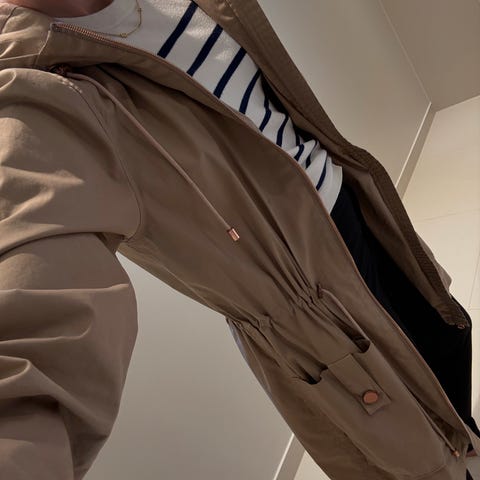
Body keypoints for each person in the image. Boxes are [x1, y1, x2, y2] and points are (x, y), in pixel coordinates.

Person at [0, 1, 477, 478]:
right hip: (308, 301)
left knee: (447, 341)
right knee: (419, 448)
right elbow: (31, 339)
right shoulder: (31, 93)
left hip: (348, 196)